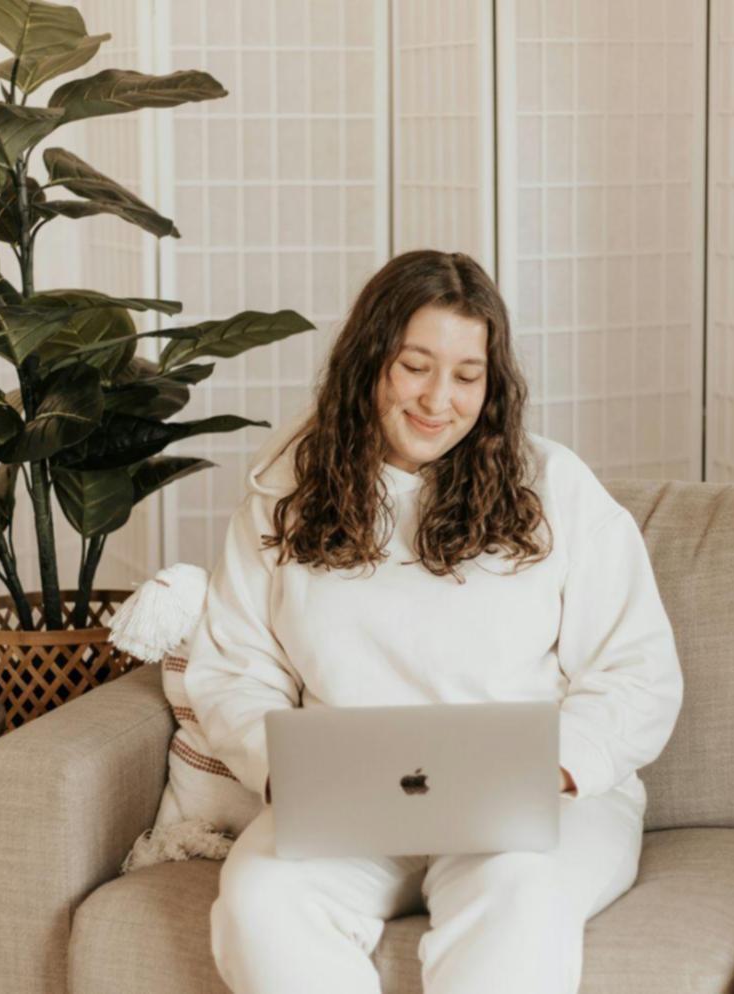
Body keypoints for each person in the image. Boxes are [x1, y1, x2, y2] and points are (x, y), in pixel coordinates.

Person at [182, 249, 683, 994]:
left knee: (520, 900)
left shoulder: (554, 487)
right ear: (370, 362)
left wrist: (553, 767)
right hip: (349, 804)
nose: (437, 399)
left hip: (537, 805)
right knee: (259, 902)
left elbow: (637, 672)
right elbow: (235, 666)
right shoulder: (286, 489)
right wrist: (282, 769)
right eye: (415, 366)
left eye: (466, 375)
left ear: (492, 383)